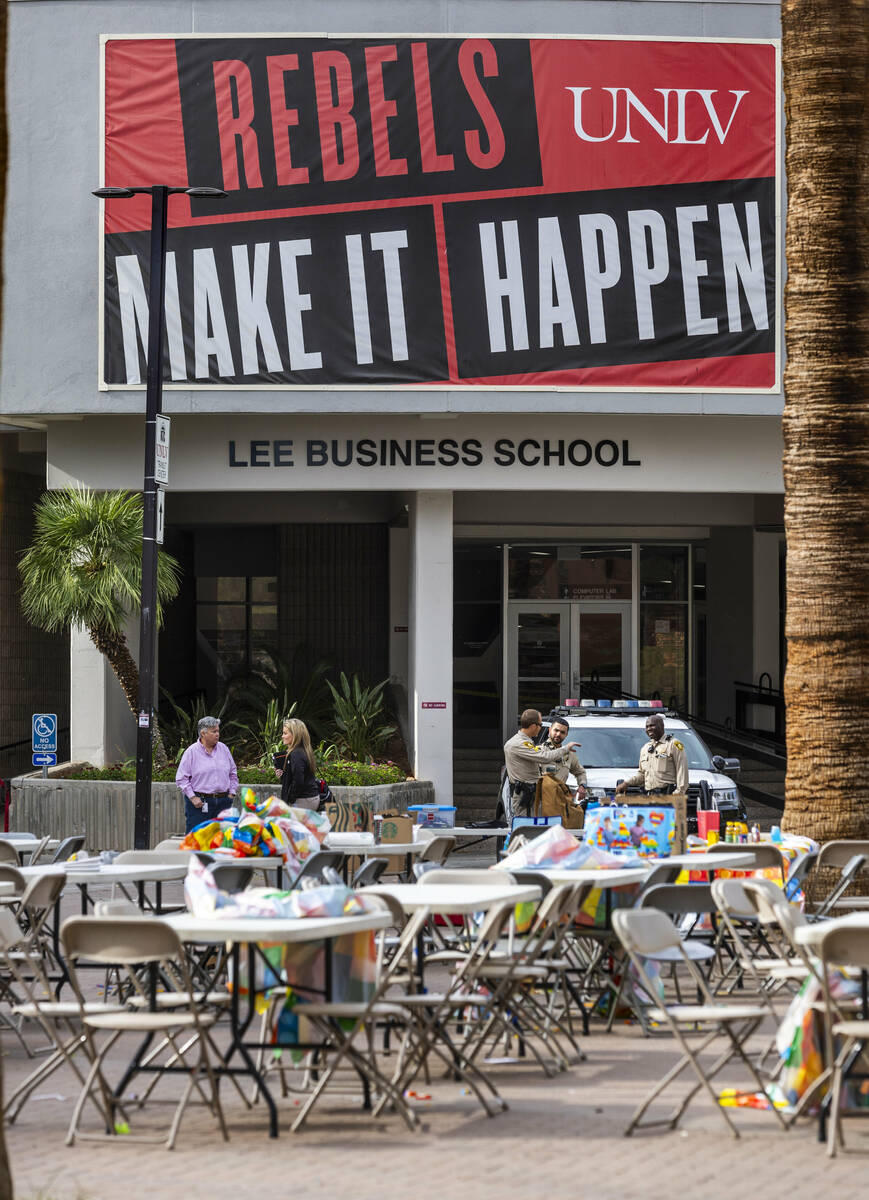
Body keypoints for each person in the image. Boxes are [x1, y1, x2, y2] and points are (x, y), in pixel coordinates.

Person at [503, 708, 581, 817]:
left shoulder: (525, 742)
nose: (540, 728)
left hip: (533, 793)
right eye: (540, 724)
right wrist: (566, 748)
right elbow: (545, 757)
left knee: (537, 826)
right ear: (534, 726)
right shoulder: (518, 744)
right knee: (527, 827)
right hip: (525, 795)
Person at [175, 715, 239, 834]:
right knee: (197, 839)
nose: (217, 734)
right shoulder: (191, 752)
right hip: (199, 804)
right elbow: (181, 778)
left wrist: (232, 793)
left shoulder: (224, 749)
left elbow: (233, 773)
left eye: (218, 731)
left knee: (222, 840)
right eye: (213, 731)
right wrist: (193, 797)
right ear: (203, 733)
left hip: (223, 802)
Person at [615, 714, 689, 797]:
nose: (649, 729)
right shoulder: (645, 748)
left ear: (662, 726)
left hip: (668, 796)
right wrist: (626, 783)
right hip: (649, 797)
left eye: (652, 725)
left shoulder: (674, 744)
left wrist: (678, 794)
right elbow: (642, 775)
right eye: (647, 727)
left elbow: (682, 771)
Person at [274, 717, 321, 810]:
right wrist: (283, 776)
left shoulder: (296, 754)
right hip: (307, 799)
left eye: (285, 733)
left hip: (303, 800)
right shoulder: (302, 751)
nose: (282, 736)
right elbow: (296, 776)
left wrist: (291, 799)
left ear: (295, 735)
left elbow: (298, 780)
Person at [543, 716, 588, 801]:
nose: (558, 734)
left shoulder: (569, 755)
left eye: (562, 732)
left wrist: (582, 786)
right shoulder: (539, 751)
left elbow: (580, 772)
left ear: (566, 735)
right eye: (556, 730)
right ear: (550, 730)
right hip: (541, 799)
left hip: (560, 800)